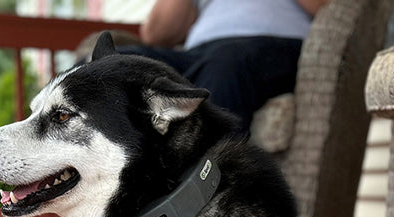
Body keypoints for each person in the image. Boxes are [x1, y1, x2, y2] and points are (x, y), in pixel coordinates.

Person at [119, 0, 330, 131]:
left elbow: (329, 5)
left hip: (273, 45)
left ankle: (207, 197)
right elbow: (156, 35)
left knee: (224, 64)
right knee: (116, 60)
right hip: (200, 53)